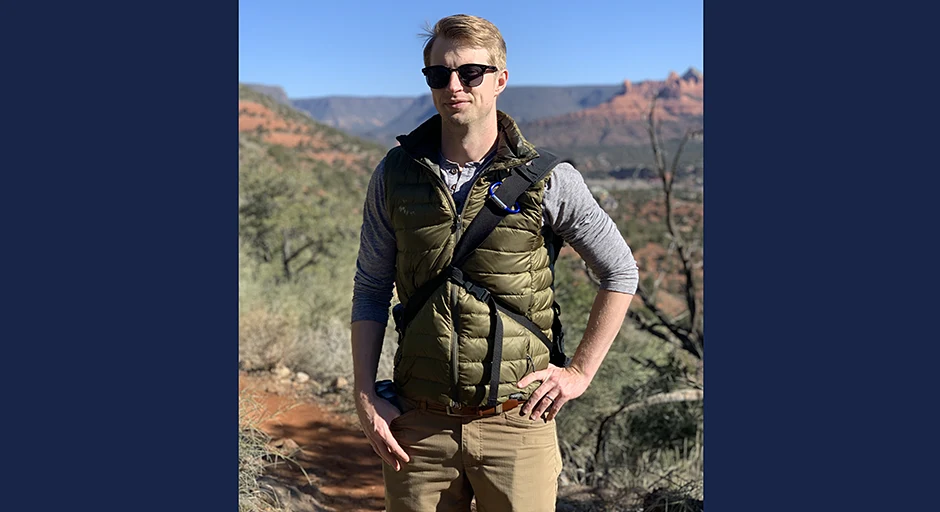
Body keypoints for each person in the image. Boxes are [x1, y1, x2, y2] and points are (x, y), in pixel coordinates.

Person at [350, 14, 639, 512]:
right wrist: (363, 396)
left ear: (500, 80)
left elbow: (620, 271)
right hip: (418, 425)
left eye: (470, 74)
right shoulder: (395, 175)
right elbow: (371, 288)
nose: (454, 86)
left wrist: (579, 374)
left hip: (517, 422)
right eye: (438, 75)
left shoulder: (550, 180)